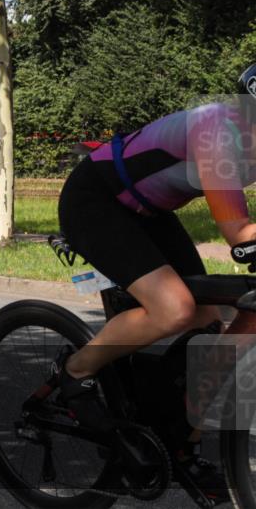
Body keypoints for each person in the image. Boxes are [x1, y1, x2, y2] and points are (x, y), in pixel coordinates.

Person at [56, 63, 256, 496]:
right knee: (175, 309)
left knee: (215, 321)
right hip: (96, 199)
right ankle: (74, 372)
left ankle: (181, 441)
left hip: (150, 210)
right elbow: (240, 236)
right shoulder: (217, 129)